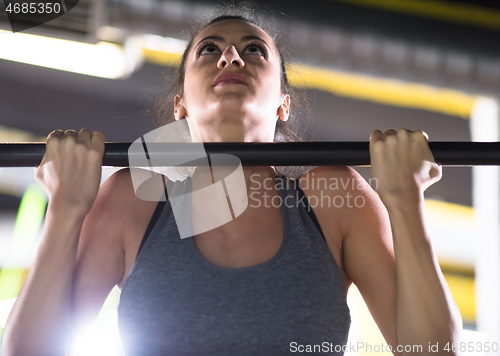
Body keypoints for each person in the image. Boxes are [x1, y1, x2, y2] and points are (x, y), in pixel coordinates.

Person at [2, 8, 462, 356]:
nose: (231, 55)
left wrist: (406, 203)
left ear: (283, 104)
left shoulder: (332, 197)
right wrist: (64, 210)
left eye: (254, 50)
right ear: (180, 104)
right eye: (209, 49)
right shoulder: (132, 199)